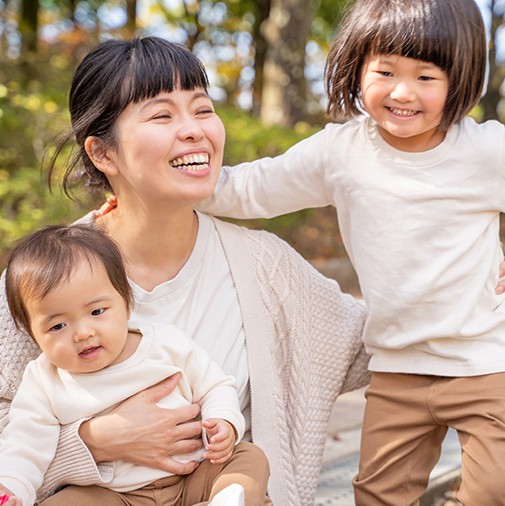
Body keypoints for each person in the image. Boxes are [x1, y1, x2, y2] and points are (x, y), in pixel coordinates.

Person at [0, 37, 370, 506]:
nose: (194, 130)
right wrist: (94, 441)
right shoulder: (43, 279)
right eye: (162, 115)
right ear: (102, 153)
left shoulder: (264, 265)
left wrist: (480, 283)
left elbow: (377, 342)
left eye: (202, 109)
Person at [199, 0, 505, 503]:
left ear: (461, 79)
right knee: (378, 495)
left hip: (485, 363)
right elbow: (251, 188)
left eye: (426, 77)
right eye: (384, 71)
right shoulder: (340, 153)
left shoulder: (485, 151)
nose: (402, 92)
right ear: (357, 66)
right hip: (398, 368)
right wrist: (162, 184)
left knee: (493, 489)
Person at [0, 224, 269, 506]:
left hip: (192, 477)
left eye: (96, 311)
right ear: (33, 335)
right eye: (57, 325)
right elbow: (25, 446)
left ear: (126, 303)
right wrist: (12, 489)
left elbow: (215, 385)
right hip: (113, 495)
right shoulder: (44, 380)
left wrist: (224, 421)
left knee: (248, 458)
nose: (82, 333)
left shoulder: (164, 344)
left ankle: (225, 500)